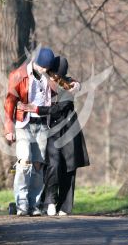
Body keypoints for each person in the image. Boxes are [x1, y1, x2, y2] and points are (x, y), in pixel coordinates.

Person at [18, 56, 89, 216]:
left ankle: (65, 205)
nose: (53, 77)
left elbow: (58, 109)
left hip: (69, 128)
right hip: (51, 129)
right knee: (53, 164)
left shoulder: (68, 85)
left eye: (56, 74)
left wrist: (35, 109)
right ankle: (49, 200)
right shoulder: (43, 82)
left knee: (69, 166)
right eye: (52, 73)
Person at [4, 47, 55, 216]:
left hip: (42, 125)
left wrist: (63, 81)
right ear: (35, 62)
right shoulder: (18, 75)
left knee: (38, 165)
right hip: (24, 124)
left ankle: (34, 203)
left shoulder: (49, 77)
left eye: (47, 68)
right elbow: (10, 102)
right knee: (24, 162)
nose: (44, 70)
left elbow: (67, 87)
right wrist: (8, 128)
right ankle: (22, 204)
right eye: (42, 67)